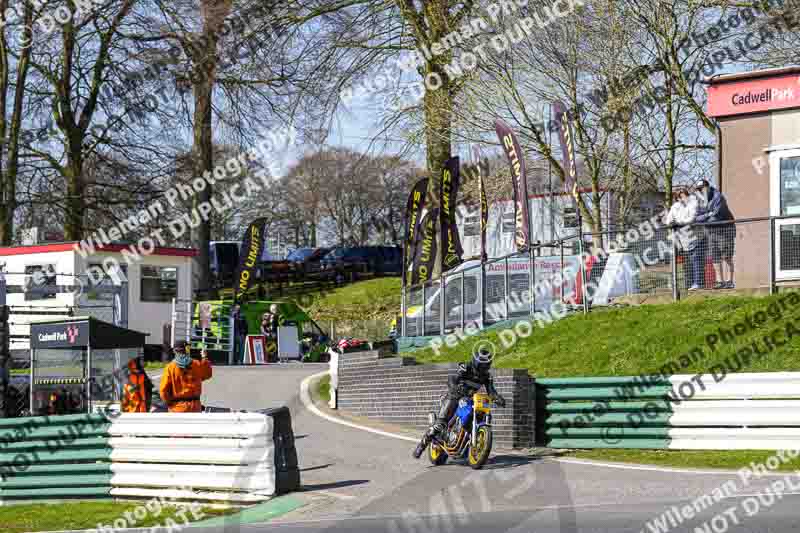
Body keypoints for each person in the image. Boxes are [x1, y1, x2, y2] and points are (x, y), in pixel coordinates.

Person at [413, 348, 507, 459]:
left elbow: (491, 391)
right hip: (454, 396)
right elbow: (452, 379)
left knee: (481, 415)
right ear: (476, 361)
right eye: (483, 363)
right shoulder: (466, 367)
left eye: (487, 364)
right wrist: (454, 388)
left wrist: (498, 399)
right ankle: (421, 446)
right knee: (440, 424)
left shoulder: (486, 376)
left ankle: (470, 442)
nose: (484, 366)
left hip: (469, 399)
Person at [694, 179, 735, 289]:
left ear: (707, 187)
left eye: (701, 188)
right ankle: (720, 281)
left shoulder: (718, 197)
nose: (700, 191)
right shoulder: (700, 200)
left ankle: (730, 281)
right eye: (698, 190)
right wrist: (708, 214)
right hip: (711, 231)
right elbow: (696, 217)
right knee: (715, 257)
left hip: (725, 230)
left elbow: (716, 216)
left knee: (726, 256)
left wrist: (705, 218)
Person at [159, 341, 212, 413]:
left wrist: (169, 403)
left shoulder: (170, 367)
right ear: (187, 350)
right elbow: (207, 374)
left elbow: (163, 390)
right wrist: (204, 357)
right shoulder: (196, 364)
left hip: (177, 408)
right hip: (195, 407)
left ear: (174, 351)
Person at [665, 188, 699, 289]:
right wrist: (672, 223)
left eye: (683, 195)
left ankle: (694, 283)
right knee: (674, 259)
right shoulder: (675, 206)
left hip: (689, 235)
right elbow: (668, 220)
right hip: (676, 237)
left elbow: (691, 218)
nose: (681, 198)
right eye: (679, 196)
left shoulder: (692, 203)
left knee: (692, 260)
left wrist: (679, 222)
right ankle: (673, 284)